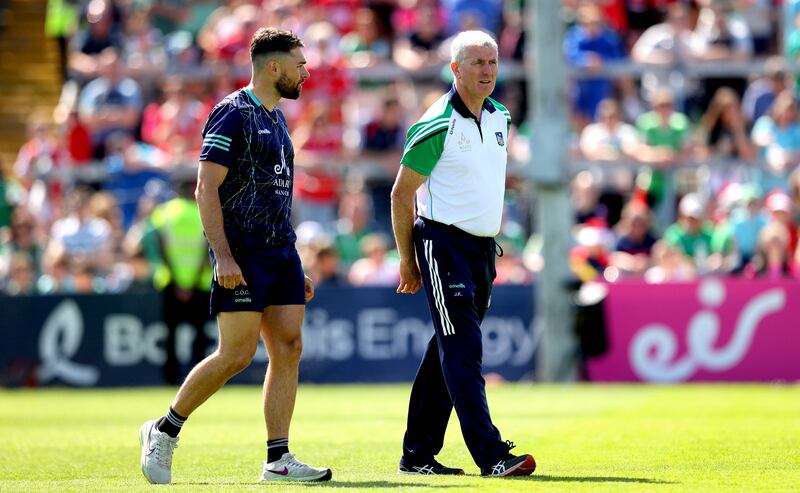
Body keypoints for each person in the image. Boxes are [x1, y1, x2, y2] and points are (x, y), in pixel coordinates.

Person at [139, 27, 332, 484]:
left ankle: (278, 459)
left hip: (280, 253)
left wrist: (294, 260)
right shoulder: (231, 112)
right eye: (299, 64)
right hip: (241, 253)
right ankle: (164, 431)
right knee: (237, 354)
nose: (305, 72)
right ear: (274, 66)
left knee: (289, 346)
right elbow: (206, 187)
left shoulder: (279, 118)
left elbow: (278, 196)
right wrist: (222, 255)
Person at [390, 30, 535, 478]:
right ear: (455, 69)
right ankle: (491, 455)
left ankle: (416, 455)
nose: (488, 70)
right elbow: (401, 194)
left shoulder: (500, 116)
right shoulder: (437, 123)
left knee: (446, 352)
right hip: (442, 244)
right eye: (476, 62)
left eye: (492, 62)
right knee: (463, 348)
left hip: (481, 250)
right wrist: (407, 259)